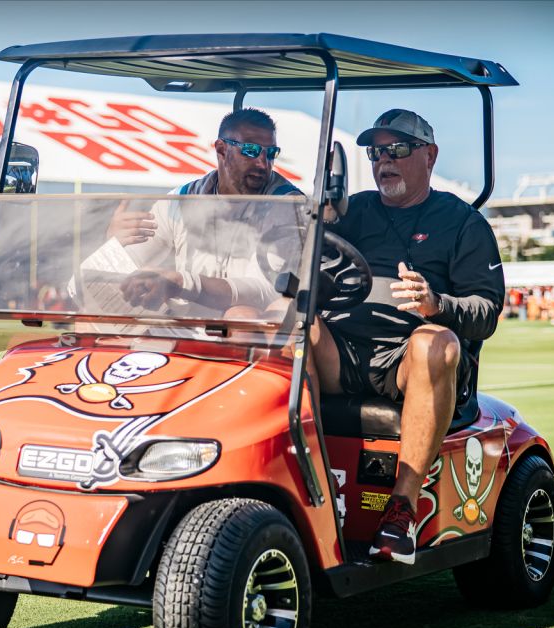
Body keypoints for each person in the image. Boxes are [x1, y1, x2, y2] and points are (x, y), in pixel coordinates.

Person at [310, 109, 505, 565]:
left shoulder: (462, 223)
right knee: (296, 325)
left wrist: (437, 305)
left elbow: (487, 311)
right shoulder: (352, 210)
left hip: (410, 363)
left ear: (430, 155)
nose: (384, 160)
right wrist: (317, 219)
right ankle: (302, 486)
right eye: (376, 152)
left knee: (433, 341)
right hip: (345, 353)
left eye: (397, 149)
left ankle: (401, 509)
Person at [99, 107, 302, 314]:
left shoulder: (287, 203)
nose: (262, 163)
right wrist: (112, 247)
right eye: (250, 150)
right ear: (221, 149)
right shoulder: (179, 200)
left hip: (248, 336)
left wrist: (179, 283)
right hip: (182, 332)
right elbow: (109, 283)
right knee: (91, 322)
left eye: (271, 153)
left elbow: (267, 291)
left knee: (241, 315)